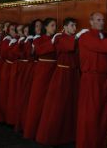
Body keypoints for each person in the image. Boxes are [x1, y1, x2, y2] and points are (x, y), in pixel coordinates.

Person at [76, 12, 107, 148]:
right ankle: (88, 143)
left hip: (104, 79)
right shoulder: (86, 36)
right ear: (91, 22)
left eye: (102, 20)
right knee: (91, 113)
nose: (101, 22)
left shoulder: (102, 36)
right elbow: (101, 46)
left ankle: (102, 141)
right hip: (91, 80)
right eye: (98, 20)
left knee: (103, 113)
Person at [36, 17, 80, 146]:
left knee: (71, 105)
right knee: (58, 105)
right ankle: (53, 135)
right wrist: (77, 38)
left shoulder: (70, 38)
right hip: (62, 74)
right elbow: (68, 47)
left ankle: (71, 134)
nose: (74, 28)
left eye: (75, 25)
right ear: (65, 27)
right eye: (72, 25)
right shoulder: (60, 38)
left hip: (73, 74)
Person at [24, 18, 58, 139]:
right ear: (46, 27)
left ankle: (47, 129)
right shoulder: (39, 39)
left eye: (55, 25)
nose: (54, 28)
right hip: (43, 70)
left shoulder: (56, 39)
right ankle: (33, 129)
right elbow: (37, 51)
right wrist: (52, 42)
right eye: (52, 25)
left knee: (51, 101)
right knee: (38, 98)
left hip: (54, 70)